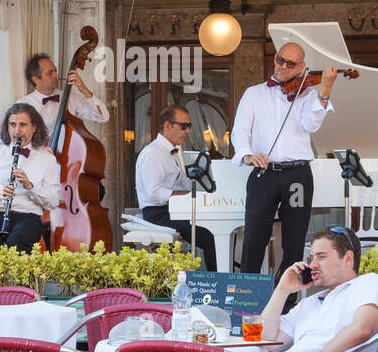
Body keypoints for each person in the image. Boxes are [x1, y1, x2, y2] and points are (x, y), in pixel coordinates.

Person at [231, 41, 340, 275]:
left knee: (294, 240)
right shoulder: (254, 94)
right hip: (264, 173)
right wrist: (247, 155)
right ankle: (248, 298)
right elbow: (240, 130)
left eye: (290, 64)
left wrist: (325, 91)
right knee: (254, 238)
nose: (283, 67)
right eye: (280, 60)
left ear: (301, 67)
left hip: (297, 176)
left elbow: (311, 124)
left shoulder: (309, 94)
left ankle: (286, 301)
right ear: (275, 58)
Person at [134, 105, 217, 271]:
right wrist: (189, 195)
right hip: (158, 213)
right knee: (210, 237)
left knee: (215, 227)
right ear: (167, 126)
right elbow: (154, 194)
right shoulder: (153, 153)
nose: (188, 131)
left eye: (190, 126)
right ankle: (218, 285)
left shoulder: (173, 152)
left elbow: (185, 186)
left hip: (176, 210)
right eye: (184, 126)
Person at [0, 103, 60, 252]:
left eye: (23, 125)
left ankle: (16, 276)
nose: (17, 131)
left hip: (28, 215)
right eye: (12, 124)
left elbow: (53, 201)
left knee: (17, 243)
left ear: (34, 127)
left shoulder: (47, 159)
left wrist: (30, 187)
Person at [17, 53, 109, 138]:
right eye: (50, 73)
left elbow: (102, 117)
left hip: (67, 155)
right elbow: (8, 137)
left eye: (55, 71)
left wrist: (84, 89)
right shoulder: (23, 105)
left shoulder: (70, 98)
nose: (56, 75)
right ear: (36, 79)